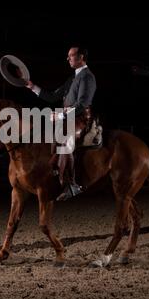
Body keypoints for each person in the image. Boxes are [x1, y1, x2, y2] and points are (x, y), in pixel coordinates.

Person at [26, 46, 96, 201]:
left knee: (65, 138)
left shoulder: (87, 77)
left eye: (71, 55)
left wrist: (61, 114)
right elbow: (52, 97)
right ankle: (53, 169)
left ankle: (72, 184)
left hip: (81, 118)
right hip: (69, 116)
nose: (68, 58)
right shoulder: (72, 78)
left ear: (81, 57)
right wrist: (32, 87)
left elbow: (83, 103)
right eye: (68, 56)